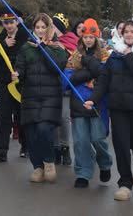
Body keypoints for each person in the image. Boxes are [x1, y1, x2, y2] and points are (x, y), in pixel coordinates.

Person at [84, 20, 133, 201]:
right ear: (122, 34)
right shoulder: (114, 57)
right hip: (119, 108)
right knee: (121, 146)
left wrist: (129, 55)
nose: (129, 34)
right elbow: (104, 81)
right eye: (126, 32)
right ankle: (124, 183)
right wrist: (93, 99)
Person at [13, 13, 69, 184]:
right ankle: (37, 166)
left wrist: (43, 48)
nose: (40, 30)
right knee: (31, 133)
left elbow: (56, 67)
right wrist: (17, 74)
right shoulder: (25, 48)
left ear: (49, 29)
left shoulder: (59, 49)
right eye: (37, 27)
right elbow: (20, 67)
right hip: (30, 95)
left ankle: (49, 161)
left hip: (50, 96)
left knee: (45, 129)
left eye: (43, 27)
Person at [65, 18, 113, 188]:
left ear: (96, 38)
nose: (88, 40)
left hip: (98, 103)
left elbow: (105, 77)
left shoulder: (105, 55)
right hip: (78, 102)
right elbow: (66, 80)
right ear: (81, 37)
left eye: (91, 37)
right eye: (85, 37)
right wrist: (84, 73)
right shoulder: (75, 56)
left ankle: (105, 162)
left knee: (98, 138)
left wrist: (92, 66)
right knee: (80, 141)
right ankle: (83, 173)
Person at [0, 6, 28, 162]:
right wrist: (3, 46)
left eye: (11, 22)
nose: (8, 26)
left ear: (17, 22)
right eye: (5, 23)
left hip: (20, 82)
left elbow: (27, 58)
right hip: (4, 83)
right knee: (4, 116)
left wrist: (19, 72)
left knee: (22, 115)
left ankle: (25, 146)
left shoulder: (26, 37)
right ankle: (1, 150)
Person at [51, 13, 77, 166]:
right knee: (54, 117)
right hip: (51, 84)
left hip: (65, 85)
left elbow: (73, 61)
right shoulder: (48, 41)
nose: (51, 29)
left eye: (53, 26)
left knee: (64, 117)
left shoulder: (70, 42)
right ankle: (55, 148)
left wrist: (62, 49)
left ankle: (65, 146)